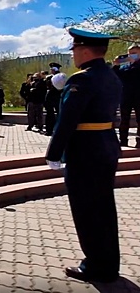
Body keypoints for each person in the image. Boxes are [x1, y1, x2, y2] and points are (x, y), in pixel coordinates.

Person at [45, 28, 122, 283]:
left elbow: (67, 120)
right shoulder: (111, 76)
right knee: (103, 207)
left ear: (85, 50)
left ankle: (96, 266)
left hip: (85, 151)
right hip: (106, 147)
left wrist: (54, 153)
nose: (74, 55)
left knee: (87, 210)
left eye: (75, 50)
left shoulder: (82, 79)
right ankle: (109, 262)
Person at [112, 44, 140, 146]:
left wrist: (135, 64)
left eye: (134, 53)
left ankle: (139, 141)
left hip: (138, 96)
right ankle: (123, 140)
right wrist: (116, 65)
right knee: (124, 119)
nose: (131, 55)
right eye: (130, 54)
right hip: (126, 96)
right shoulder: (125, 67)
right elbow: (115, 76)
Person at [44, 63, 63, 136]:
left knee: (59, 113)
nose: (51, 71)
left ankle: (58, 130)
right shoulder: (49, 77)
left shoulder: (60, 76)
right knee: (50, 114)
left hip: (57, 97)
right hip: (51, 97)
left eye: (53, 69)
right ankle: (49, 130)